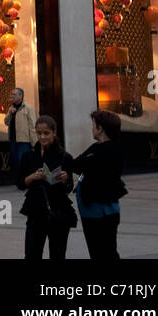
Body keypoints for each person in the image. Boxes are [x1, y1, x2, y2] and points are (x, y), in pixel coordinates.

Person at [61, 109, 126, 261]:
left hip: (99, 211)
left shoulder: (108, 150)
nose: (91, 128)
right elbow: (76, 164)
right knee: (102, 251)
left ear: (100, 128)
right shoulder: (98, 148)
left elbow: (78, 165)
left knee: (103, 252)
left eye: (93, 125)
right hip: (96, 210)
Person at [17, 115, 76, 260]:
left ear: (54, 132)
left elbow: (69, 188)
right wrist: (32, 177)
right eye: (39, 133)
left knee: (57, 254)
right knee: (31, 254)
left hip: (58, 210)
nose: (42, 137)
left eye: (46, 133)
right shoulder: (29, 156)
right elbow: (20, 183)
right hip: (35, 210)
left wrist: (65, 178)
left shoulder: (65, 157)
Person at [5, 88, 38, 175]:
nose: (11, 96)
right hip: (13, 139)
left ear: (21, 96)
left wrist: (34, 143)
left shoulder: (28, 108)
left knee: (23, 162)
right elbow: (6, 122)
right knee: (15, 162)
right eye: (11, 94)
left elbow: (33, 126)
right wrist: (10, 114)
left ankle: (27, 180)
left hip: (24, 140)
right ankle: (20, 181)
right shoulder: (11, 108)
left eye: (14, 94)